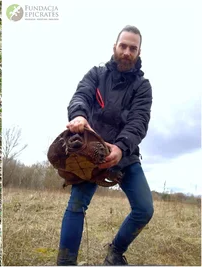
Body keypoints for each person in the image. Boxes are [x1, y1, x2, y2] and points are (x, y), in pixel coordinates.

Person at [57, 25, 154, 266]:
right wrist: (79, 116)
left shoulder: (143, 87)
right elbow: (80, 96)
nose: (127, 52)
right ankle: (65, 263)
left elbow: (139, 122)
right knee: (77, 205)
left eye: (133, 48)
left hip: (125, 154)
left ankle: (114, 253)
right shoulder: (96, 74)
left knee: (144, 209)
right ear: (115, 47)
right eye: (123, 46)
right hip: (92, 150)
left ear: (139, 52)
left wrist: (121, 147)